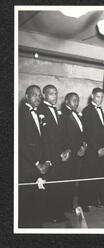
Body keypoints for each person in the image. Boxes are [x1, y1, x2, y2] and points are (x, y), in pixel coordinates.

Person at [38, 84, 71, 222]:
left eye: (56, 93)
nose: (54, 96)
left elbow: (61, 134)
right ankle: (49, 214)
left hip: (59, 155)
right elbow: (43, 137)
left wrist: (66, 150)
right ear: (44, 95)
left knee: (58, 186)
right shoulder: (41, 110)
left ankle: (57, 213)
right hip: (48, 156)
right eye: (51, 93)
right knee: (49, 187)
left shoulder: (57, 111)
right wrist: (48, 157)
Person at [19, 85, 50, 227]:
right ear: (26, 96)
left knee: (38, 199)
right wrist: (37, 163)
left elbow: (43, 140)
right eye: (34, 95)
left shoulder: (38, 113)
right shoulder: (21, 113)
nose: (38, 98)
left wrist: (46, 161)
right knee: (27, 202)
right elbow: (22, 143)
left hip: (40, 164)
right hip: (28, 166)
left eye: (39, 95)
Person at [81, 87, 104, 207]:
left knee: (97, 176)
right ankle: (84, 203)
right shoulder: (87, 110)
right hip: (92, 150)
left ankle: (93, 200)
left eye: (102, 97)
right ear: (92, 96)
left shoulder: (102, 111)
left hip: (101, 150)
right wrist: (97, 149)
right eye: (98, 96)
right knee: (88, 177)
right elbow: (87, 133)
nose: (100, 99)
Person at [61, 93, 88, 212]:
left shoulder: (76, 114)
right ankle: (65, 206)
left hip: (77, 153)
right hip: (70, 153)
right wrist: (75, 149)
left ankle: (68, 205)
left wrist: (83, 146)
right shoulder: (63, 114)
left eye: (77, 100)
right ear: (67, 101)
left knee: (72, 182)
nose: (76, 103)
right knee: (67, 182)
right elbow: (65, 136)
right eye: (73, 100)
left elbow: (80, 133)